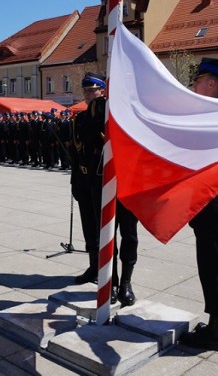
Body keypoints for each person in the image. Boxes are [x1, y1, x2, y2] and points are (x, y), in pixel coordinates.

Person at [180, 58, 218, 351]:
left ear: (212, 83)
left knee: (212, 266)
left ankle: (216, 330)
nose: (194, 84)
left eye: (198, 79)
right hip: (215, 201)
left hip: (212, 201)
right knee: (216, 264)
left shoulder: (216, 115)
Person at [70, 72, 138, 306]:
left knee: (129, 236)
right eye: (86, 91)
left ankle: (127, 282)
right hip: (98, 184)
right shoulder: (82, 119)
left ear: (103, 90)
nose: (88, 95)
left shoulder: (120, 114)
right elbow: (79, 152)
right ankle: (112, 281)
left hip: (127, 184)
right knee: (106, 237)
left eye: (93, 91)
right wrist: (76, 183)